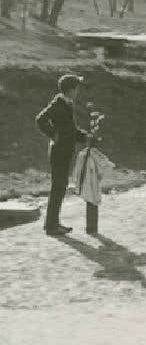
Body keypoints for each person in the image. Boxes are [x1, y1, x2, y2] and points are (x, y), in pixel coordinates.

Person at [34, 73, 89, 236]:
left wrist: (85, 137)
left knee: (60, 187)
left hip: (63, 151)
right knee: (58, 187)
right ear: (71, 90)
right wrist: (53, 134)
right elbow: (39, 120)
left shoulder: (66, 103)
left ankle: (52, 224)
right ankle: (51, 226)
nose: (78, 90)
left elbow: (70, 130)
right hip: (59, 151)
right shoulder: (58, 103)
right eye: (76, 87)